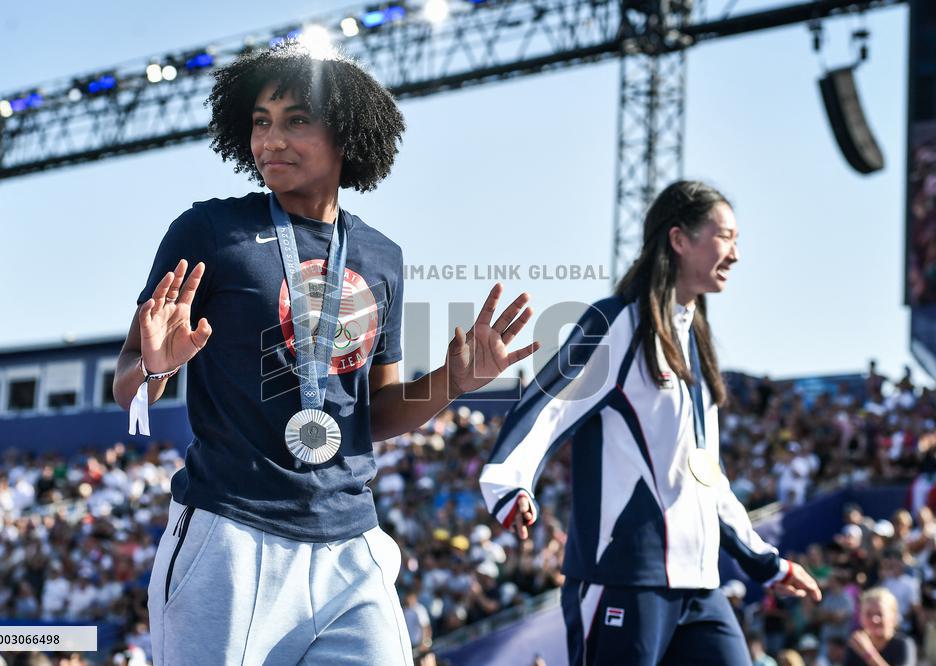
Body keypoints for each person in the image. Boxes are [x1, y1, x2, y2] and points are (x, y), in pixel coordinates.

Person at [113, 41, 538, 665]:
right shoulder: (208, 231)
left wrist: (452, 380)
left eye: (295, 121)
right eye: (261, 122)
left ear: (346, 133)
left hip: (351, 543)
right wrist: (157, 366)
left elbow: (378, 413)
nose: (271, 140)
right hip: (229, 535)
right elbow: (128, 383)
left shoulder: (382, 256)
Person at [479, 180, 821, 665]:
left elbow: (706, 478)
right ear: (679, 239)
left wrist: (766, 563)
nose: (736, 254)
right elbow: (549, 403)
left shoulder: (696, 343)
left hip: (699, 586)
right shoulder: (617, 321)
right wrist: (509, 483)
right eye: (725, 237)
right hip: (622, 577)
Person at [845, 587, 917, 666]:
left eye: (880, 614)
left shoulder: (903, 644)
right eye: (868, 614)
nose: (874, 620)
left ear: (894, 617)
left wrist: (869, 654)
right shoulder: (856, 646)